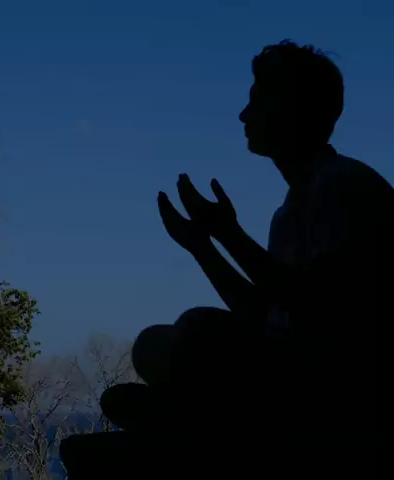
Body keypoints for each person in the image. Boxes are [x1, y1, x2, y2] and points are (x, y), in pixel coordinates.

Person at [101, 40, 394, 453]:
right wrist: (202, 247)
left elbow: (319, 308)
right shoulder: (288, 211)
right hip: (299, 376)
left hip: (349, 387)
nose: (243, 114)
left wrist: (229, 234)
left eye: (256, 101)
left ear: (292, 108)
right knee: (150, 353)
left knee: (197, 328)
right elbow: (266, 313)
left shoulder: (346, 187)